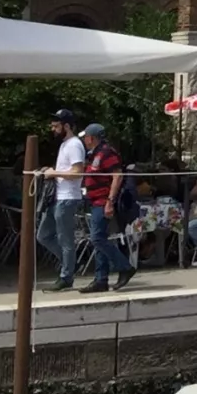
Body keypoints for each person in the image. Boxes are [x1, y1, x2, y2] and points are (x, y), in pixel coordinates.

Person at [80, 122, 134, 294]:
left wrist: (110, 201)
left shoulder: (106, 153)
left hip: (103, 201)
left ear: (92, 137)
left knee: (97, 239)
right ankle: (100, 279)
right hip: (95, 200)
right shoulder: (94, 154)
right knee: (99, 240)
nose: (85, 140)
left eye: (86, 137)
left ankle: (125, 267)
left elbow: (117, 175)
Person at [44, 108, 89, 291]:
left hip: (68, 197)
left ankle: (66, 275)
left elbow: (78, 172)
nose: (53, 129)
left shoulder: (74, 145)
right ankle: (70, 263)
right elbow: (66, 169)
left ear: (67, 126)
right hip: (58, 197)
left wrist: (54, 173)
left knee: (65, 239)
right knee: (43, 235)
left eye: (56, 126)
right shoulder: (64, 144)